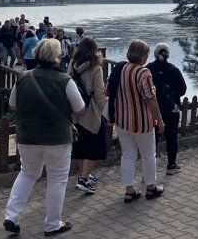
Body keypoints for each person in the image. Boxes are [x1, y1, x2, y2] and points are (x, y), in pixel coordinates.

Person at [3, 38, 85, 236]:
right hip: (57, 137)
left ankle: (11, 216)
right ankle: (52, 224)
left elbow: (12, 105)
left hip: (28, 135)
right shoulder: (65, 80)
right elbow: (80, 108)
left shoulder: (23, 77)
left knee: (28, 173)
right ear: (57, 56)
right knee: (57, 180)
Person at [108, 39, 165, 202]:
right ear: (143, 56)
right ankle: (151, 187)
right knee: (148, 155)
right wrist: (159, 121)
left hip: (121, 121)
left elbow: (108, 91)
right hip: (142, 122)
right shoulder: (143, 73)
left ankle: (129, 190)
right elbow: (150, 99)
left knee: (127, 155)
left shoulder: (119, 69)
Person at [68, 36, 108, 194]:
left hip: (75, 111)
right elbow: (99, 95)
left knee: (80, 146)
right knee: (95, 147)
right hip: (90, 113)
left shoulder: (72, 64)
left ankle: (83, 175)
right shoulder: (95, 68)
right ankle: (84, 180)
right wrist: (106, 111)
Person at [146, 43, 187, 174]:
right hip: (171, 109)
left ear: (155, 53)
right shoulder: (173, 69)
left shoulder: (148, 69)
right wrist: (172, 94)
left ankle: (150, 169)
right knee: (171, 137)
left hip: (152, 109)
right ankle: (171, 165)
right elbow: (183, 89)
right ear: (167, 54)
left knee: (153, 139)